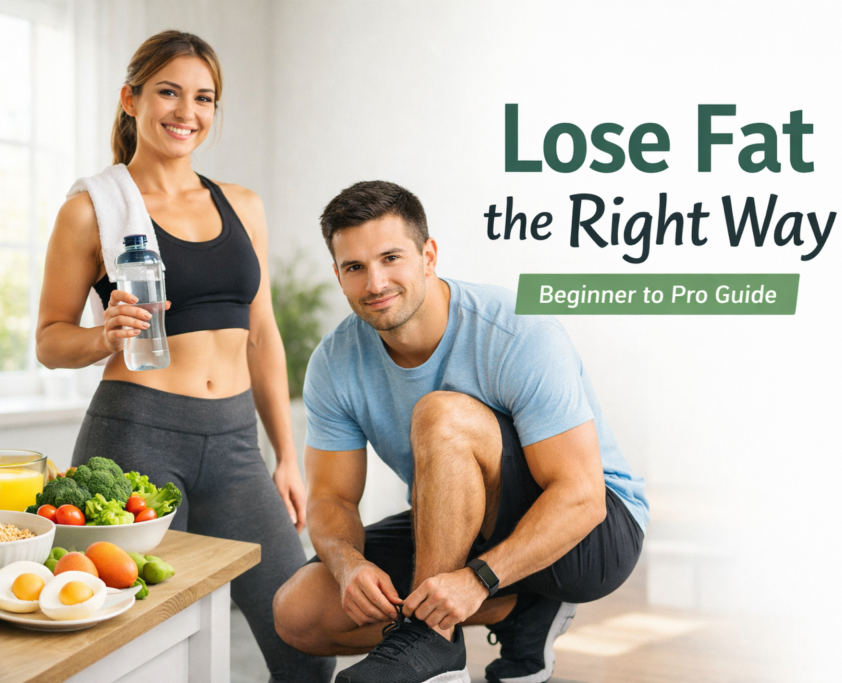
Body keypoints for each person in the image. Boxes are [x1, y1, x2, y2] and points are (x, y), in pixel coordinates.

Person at [35, 30, 334, 683]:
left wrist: (285, 453)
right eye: (169, 91)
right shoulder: (91, 209)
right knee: (128, 642)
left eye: (204, 98)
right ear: (130, 99)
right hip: (136, 435)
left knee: (304, 634)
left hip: (234, 445)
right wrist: (102, 335)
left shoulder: (241, 204)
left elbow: (264, 336)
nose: (187, 112)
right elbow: (50, 338)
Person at [273, 180, 649, 683]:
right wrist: (347, 567)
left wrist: (478, 578)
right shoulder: (335, 363)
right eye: (355, 267)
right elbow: (330, 499)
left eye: (391, 258)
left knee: (440, 415)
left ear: (428, 255)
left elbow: (582, 497)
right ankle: (518, 611)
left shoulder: (517, 331)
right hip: (470, 525)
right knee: (298, 611)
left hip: (593, 533)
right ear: (339, 276)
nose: (375, 282)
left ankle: (431, 646)